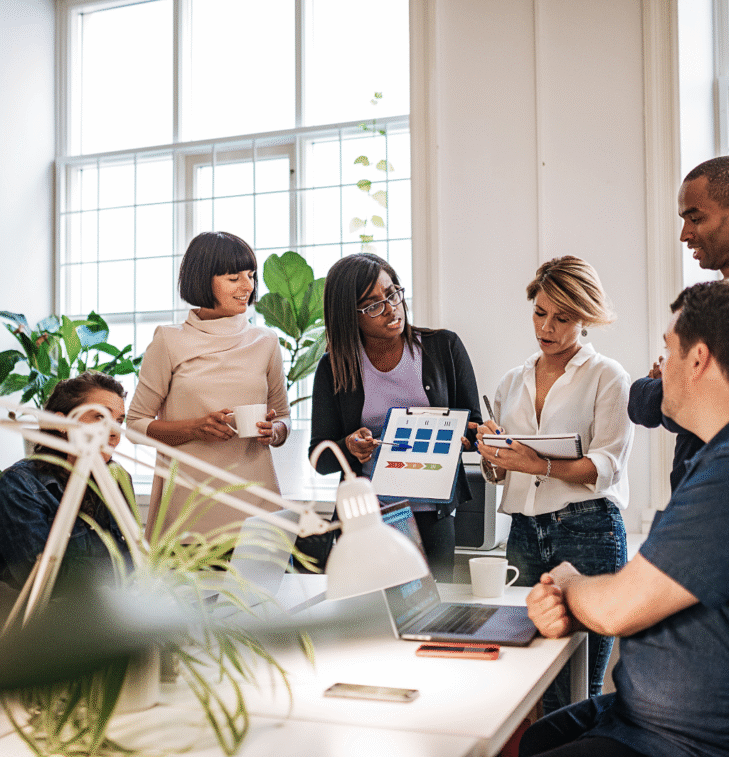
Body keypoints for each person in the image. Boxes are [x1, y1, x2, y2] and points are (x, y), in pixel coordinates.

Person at [521, 279, 729, 757]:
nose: (660, 368)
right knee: (537, 736)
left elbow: (618, 608)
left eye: (668, 350)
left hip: (690, 740)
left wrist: (568, 586)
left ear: (697, 360)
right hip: (644, 715)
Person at [476, 256, 633, 712]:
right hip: (523, 535)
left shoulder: (608, 376)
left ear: (585, 318)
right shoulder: (512, 382)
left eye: (562, 318)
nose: (546, 327)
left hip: (588, 531)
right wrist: (492, 456)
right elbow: (501, 474)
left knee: (579, 686)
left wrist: (537, 464)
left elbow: (605, 467)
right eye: (540, 313)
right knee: (526, 680)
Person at [309, 253, 481, 582]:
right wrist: (349, 447)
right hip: (368, 518)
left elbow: (473, 427)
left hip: (433, 514)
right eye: (373, 305)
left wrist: (468, 436)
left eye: (393, 294)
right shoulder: (333, 368)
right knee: (367, 609)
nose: (391, 309)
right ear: (349, 315)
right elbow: (320, 459)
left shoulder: (444, 347)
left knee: (433, 607)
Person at [127, 232, 290, 537]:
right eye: (233, 278)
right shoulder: (169, 340)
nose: (248, 286)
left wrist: (275, 431)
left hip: (258, 508)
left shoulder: (266, 341)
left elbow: (282, 416)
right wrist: (195, 429)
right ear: (202, 279)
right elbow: (135, 424)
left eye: (251, 275)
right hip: (189, 511)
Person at [629, 155, 729, 490]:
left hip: (728, 493)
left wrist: (660, 384)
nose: (684, 235)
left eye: (695, 218)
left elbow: (652, 403)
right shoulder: (723, 296)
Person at [0, 372, 131, 590]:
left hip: (115, 605)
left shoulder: (117, 479)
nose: (114, 433)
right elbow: (41, 578)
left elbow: (134, 562)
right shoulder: (20, 485)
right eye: (100, 417)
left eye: (119, 421)